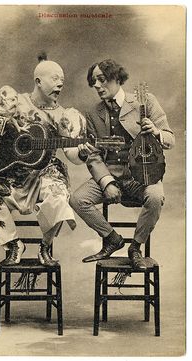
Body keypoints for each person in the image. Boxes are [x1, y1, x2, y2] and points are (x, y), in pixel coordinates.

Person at [0, 54, 86, 266]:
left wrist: (83, 152)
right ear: (38, 81)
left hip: (46, 174)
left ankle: (45, 246)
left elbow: (73, 155)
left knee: (60, 197)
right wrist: (5, 125)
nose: (60, 83)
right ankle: (14, 244)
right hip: (12, 173)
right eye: (54, 78)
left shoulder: (63, 116)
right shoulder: (15, 101)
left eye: (62, 79)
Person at [70, 58, 175, 269]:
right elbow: (94, 155)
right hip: (111, 174)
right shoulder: (93, 114)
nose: (97, 86)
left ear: (117, 78)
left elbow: (170, 139)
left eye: (101, 80)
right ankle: (112, 239)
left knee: (155, 196)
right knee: (77, 199)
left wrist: (156, 131)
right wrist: (107, 182)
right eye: (94, 82)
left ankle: (135, 247)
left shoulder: (145, 102)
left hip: (141, 177)